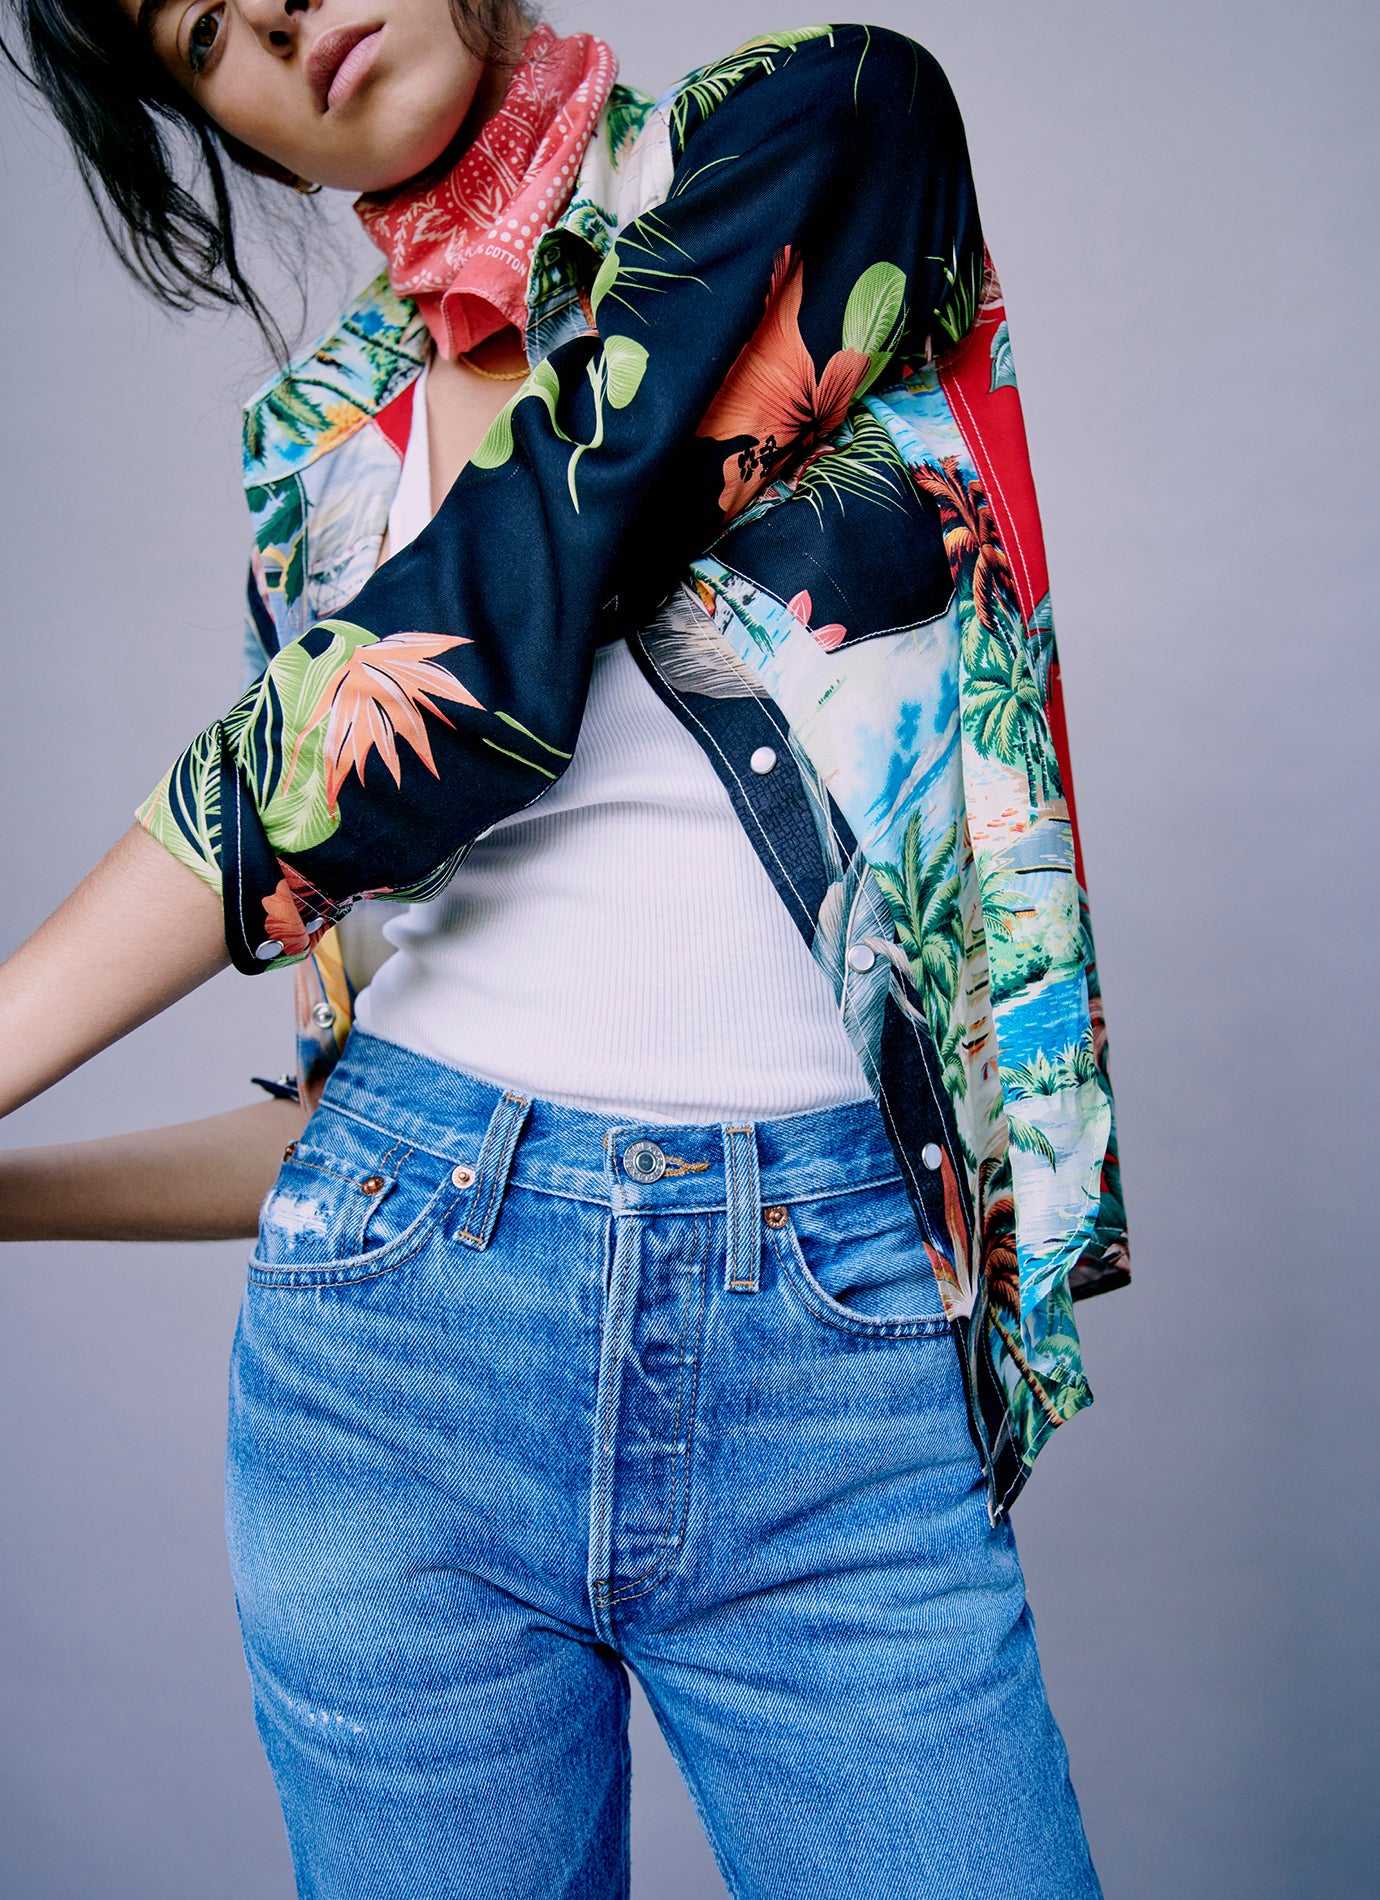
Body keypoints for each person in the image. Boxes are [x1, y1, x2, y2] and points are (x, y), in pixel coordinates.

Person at [0, 2, 1129, 1893]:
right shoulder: (313, 456)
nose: (271, 12)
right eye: (200, 36)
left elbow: (477, 653)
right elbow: (346, 1107)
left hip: (833, 1359)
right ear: (236, 133)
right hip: (388, 1370)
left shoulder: (831, 123)